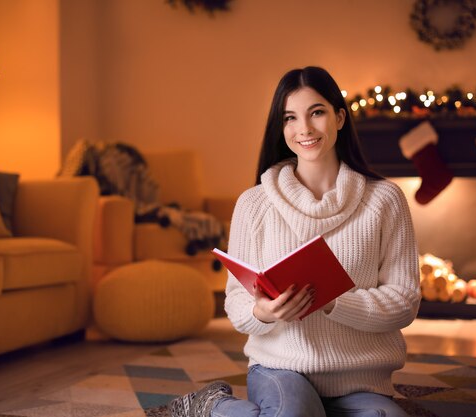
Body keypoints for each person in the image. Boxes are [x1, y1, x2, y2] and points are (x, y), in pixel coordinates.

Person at [168, 66, 421, 417]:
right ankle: (212, 406)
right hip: (280, 368)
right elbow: (237, 304)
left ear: (340, 118)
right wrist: (263, 312)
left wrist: (333, 301)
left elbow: (404, 302)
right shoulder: (254, 204)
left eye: (316, 112)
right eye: (290, 117)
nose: (304, 129)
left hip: (360, 379)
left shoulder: (385, 200)